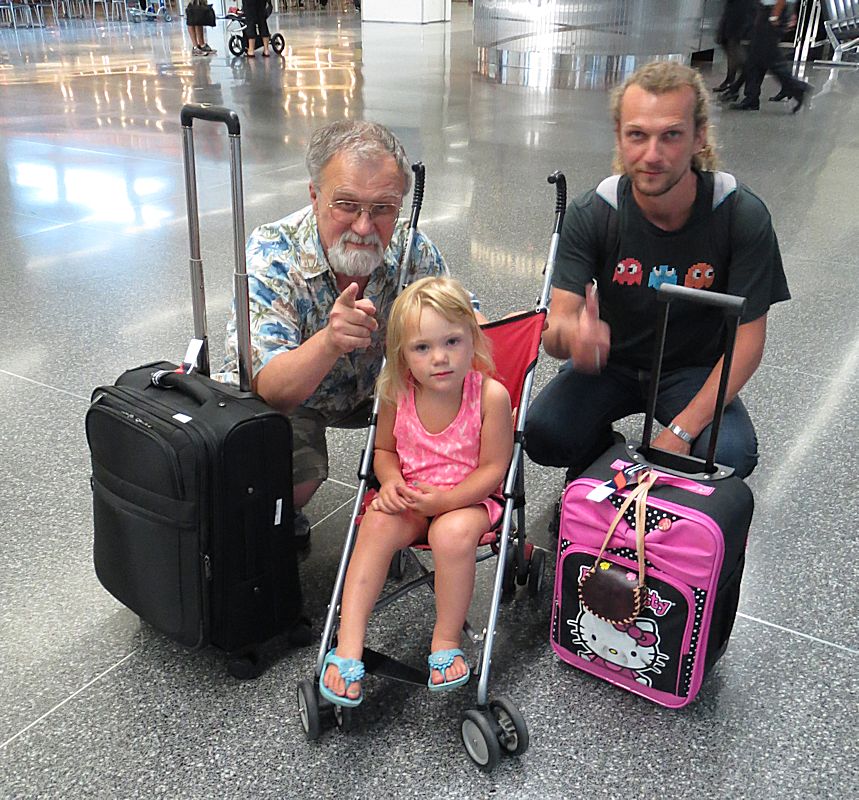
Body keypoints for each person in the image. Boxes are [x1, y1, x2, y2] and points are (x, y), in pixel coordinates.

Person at [523, 61, 790, 499]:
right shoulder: (595, 213)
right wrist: (574, 338)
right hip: (612, 364)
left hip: (692, 368)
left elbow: (748, 343)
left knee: (730, 454)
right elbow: (556, 328)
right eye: (637, 135)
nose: (651, 154)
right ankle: (601, 456)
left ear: (699, 137)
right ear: (619, 136)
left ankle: (665, 506)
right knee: (544, 433)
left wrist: (681, 431)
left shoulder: (739, 215)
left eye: (671, 135)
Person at [215, 120, 448, 547]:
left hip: (385, 393)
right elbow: (270, 389)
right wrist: (329, 341)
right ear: (314, 195)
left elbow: (461, 324)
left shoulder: (412, 248)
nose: (364, 227)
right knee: (291, 478)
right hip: (296, 398)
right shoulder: (273, 254)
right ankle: (278, 514)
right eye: (346, 205)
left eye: (383, 209)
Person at [319, 277, 513, 707]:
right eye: (422, 347)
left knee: (450, 534)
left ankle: (445, 639)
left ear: (473, 339)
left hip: (468, 500)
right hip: (409, 496)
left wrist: (446, 501)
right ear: (402, 354)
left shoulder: (490, 397)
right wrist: (390, 482)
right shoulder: (396, 392)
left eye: (452, 342)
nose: (440, 358)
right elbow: (385, 451)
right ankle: (348, 643)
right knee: (375, 523)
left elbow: (494, 469)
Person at [728, 0, 811, 111]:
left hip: (772, 12)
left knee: (771, 58)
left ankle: (798, 87)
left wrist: (774, 15)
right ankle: (751, 98)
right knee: (755, 58)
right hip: (771, 10)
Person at [713, 0, 755, 94]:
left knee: (732, 43)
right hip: (735, 10)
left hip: (739, 11)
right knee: (728, 42)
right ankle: (732, 79)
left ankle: (737, 78)